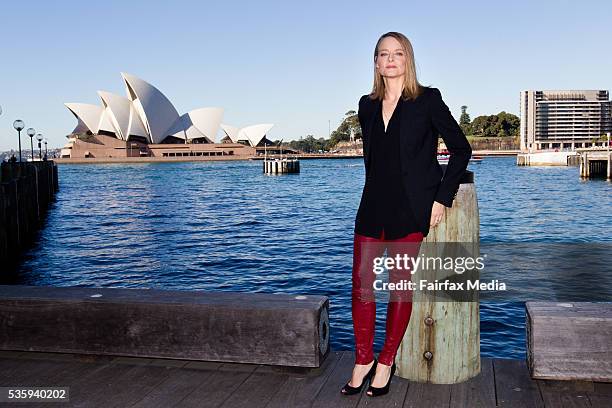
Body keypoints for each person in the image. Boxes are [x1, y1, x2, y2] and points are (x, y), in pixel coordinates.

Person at [340, 31, 472, 397]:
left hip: (411, 209)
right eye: (384, 54)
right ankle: (362, 359)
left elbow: (461, 150)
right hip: (372, 207)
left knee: (399, 287)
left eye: (398, 53)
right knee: (361, 285)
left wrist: (441, 199)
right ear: (377, 63)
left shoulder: (428, 100)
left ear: (408, 59)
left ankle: (386, 361)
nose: (391, 59)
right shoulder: (366, 105)